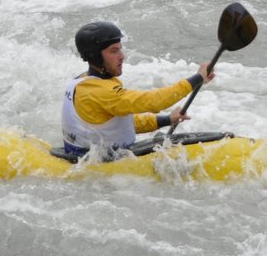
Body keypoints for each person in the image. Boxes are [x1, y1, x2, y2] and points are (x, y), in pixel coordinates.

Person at [60, 20, 214, 160]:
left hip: (85, 156)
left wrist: (166, 120)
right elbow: (153, 102)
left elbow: (120, 123)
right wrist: (197, 78)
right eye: (114, 51)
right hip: (99, 165)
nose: (122, 56)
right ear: (95, 56)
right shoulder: (101, 92)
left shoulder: (83, 81)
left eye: (120, 49)